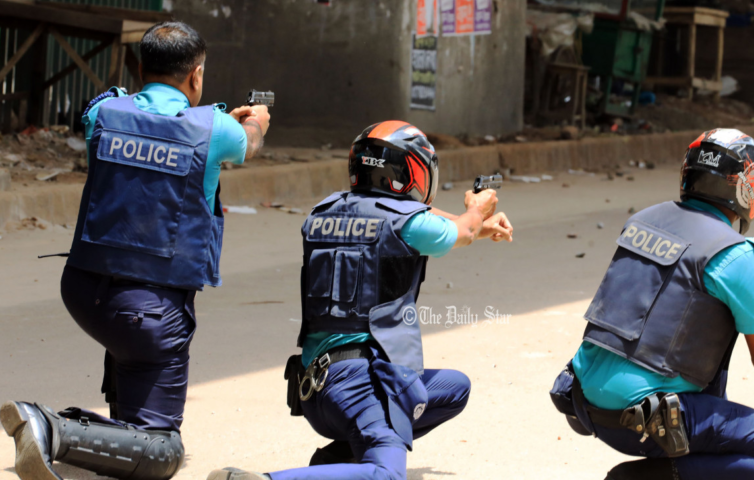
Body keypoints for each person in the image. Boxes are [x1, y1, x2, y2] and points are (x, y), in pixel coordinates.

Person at [1, 21, 270, 480]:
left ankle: (94, 437)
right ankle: (49, 427)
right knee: (163, 451)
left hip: (84, 292)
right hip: (150, 309)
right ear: (197, 75)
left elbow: (139, 125)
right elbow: (249, 144)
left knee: (133, 382)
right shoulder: (218, 129)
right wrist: (256, 121)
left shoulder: (102, 113)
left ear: (141, 69)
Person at [207, 121, 513, 480]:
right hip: (360, 385)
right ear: (411, 171)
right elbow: (459, 230)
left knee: (454, 388)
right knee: (387, 475)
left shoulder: (323, 212)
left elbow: (399, 216)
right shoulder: (407, 225)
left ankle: (344, 462)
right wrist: (476, 209)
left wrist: (474, 224)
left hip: (314, 388)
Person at [550, 128, 754, 480]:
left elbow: (672, 293)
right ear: (747, 187)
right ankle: (640, 478)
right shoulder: (737, 256)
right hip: (645, 419)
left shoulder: (643, 220)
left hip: (583, 401)